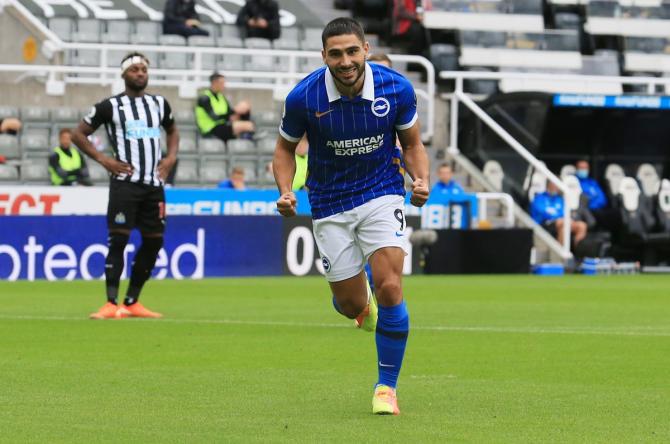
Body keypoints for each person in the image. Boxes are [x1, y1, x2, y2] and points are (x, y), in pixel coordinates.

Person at [273, 18, 430, 415]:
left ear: (366, 49)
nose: (345, 61)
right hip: (329, 202)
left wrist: (421, 179)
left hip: (382, 192)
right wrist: (286, 191)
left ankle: (386, 388)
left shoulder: (397, 88)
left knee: (390, 286)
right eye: (335, 53)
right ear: (323, 56)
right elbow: (284, 150)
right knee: (348, 304)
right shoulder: (304, 98)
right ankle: (360, 308)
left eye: (352, 51)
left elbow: (411, 143)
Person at [72, 52, 179, 320]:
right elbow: (78, 134)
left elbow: (173, 130)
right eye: (135, 70)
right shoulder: (110, 106)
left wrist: (171, 158)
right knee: (118, 240)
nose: (140, 73)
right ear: (124, 75)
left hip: (153, 185)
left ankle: (132, 301)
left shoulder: (159, 104)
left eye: (144, 69)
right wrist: (104, 160)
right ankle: (110, 303)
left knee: (154, 242)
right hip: (125, 184)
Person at [195, 72, 256, 143]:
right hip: (210, 129)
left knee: (245, 109)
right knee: (247, 126)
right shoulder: (205, 98)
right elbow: (214, 118)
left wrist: (239, 111)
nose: (224, 85)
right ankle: (247, 139)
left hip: (223, 126)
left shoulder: (221, 97)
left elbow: (229, 112)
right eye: (222, 83)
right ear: (215, 83)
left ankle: (246, 139)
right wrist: (235, 111)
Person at [531, 180, 587, 246]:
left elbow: (563, 213)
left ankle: (577, 251)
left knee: (582, 225)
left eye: (556, 186)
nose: (555, 187)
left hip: (561, 222)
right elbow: (542, 212)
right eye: (554, 185)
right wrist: (556, 216)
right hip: (544, 223)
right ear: (548, 185)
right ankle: (560, 254)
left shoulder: (559, 199)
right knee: (563, 223)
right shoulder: (539, 198)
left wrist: (558, 216)